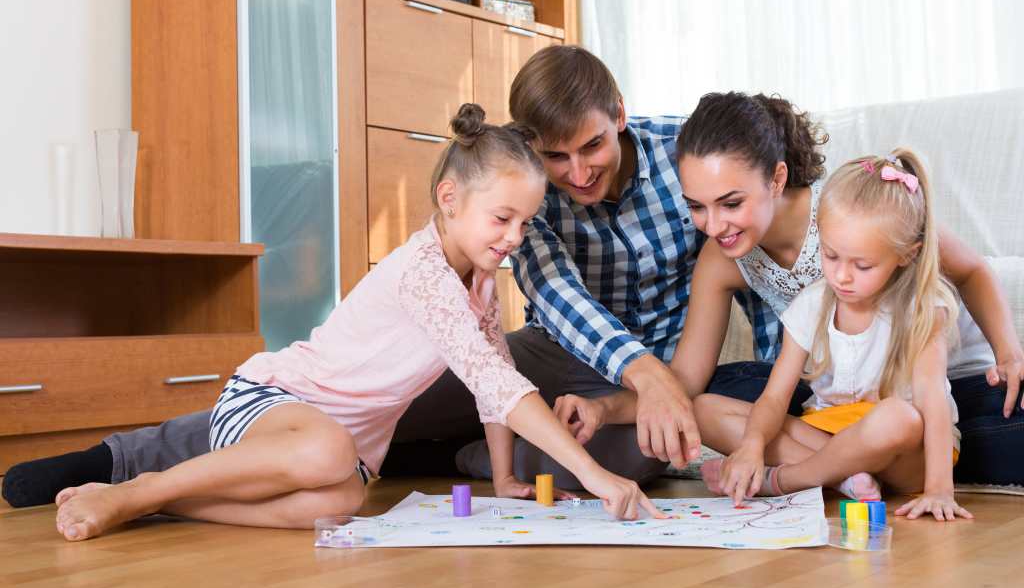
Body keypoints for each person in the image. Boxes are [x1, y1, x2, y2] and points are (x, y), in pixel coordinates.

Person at [6, 46, 746, 505]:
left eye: (591, 148)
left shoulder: (686, 159)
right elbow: (547, 304)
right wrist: (636, 384)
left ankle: (442, 461)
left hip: (622, 378)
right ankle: (126, 461)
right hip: (547, 353)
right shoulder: (510, 203)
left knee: (627, 452)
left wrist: (646, 387)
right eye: (557, 158)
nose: (576, 173)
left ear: (619, 116)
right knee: (390, 405)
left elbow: (755, 240)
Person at [49, 104, 662, 541]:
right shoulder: (422, 272)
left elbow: (493, 380)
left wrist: (503, 476)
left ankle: (171, 506)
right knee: (328, 450)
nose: (514, 237)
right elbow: (498, 384)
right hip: (275, 405)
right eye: (503, 219)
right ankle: (139, 489)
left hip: (343, 454)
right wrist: (595, 475)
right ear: (450, 200)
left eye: (525, 223)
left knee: (341, 500)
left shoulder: (478, 281)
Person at [553, 91, 1024, 487]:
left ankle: (831, 469)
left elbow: (972, 271)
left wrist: (1008, 353)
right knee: (713, 398)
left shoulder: (854, 212)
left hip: (943, 385)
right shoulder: (722, 259)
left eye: (731, 203)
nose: (712, 225)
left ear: (777, 179)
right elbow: (685, 381)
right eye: (697, 207)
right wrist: (603, 408)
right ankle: (847, 472)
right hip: (837, 399)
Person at [697, 149, 971, 521]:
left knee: (898, 417)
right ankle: (846, 478)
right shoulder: (811, 305)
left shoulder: (922, 308)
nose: (841, 276)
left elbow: (933, 401)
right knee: (704, 410)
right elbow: (775, 398)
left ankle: (787, 479)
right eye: (830, 255)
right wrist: (751, 447)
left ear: (907, 255)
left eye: (862, 265)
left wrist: (939, 490)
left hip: (907, 453)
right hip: (831, 434)